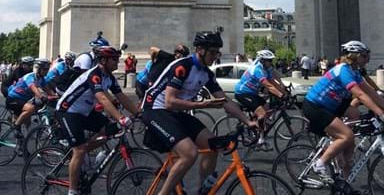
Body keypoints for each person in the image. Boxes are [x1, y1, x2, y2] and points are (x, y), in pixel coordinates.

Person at [141, 30, 257, 195]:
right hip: (155, 110)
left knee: (213, 145)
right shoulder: (183, 66)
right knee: (189, 153)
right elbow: (170, 101)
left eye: (218, 52)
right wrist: (203, 105)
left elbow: (225, 100)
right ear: (200, 50)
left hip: (176, 112)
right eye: (212, 52)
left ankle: (202, 190)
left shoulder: (207, 74)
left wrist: (247, 121)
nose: (215, 56)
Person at [302, 41, 384, 186]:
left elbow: (369, 91)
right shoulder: (343, 70)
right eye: (364, 56)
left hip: (332, 103)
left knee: (355, 115)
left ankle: (345, 174)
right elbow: (361, 95)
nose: (367, 59)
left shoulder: (354, 71)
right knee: (347, 136)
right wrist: (381, 114)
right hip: (316, 106)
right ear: (355, 56)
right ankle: (320, 164)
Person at [56, 46, 139, 195]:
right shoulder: (94, 75)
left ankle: (84, 156)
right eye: (114, 59)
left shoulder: (110, 78)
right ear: (103, 60)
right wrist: (121, 118)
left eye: (117, 59)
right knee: (79, 150)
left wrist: (139, 113)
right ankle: (73, 191)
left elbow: (122, 97)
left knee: (110, 129)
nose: (117, 62)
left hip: (85, 112)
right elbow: (102, 97)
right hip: (68, 110)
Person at [234, 50, 288, 148]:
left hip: (252, 93)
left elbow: (273, 83)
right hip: (242, 93)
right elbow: (268, 86)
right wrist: (281, 95)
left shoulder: (266, 69)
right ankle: (260, 139)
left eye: (271, 60)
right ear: (262, 60)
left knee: (266, 106)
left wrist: (285, 92)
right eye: (269, 61)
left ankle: (256, 125)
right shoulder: (257, 69)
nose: (271, 63)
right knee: (262, 113)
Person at [7, 58, 54, 138]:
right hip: (13, 99)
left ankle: (22, 144)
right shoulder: (30, 77)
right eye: (45, 69)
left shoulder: (41, 79)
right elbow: (33, 87)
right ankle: (16, 126)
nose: (47, 71)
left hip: (22, 101)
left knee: (27, 123)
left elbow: (48, 90)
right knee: (31, 108)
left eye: (48, 69)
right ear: (38, 69)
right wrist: (42, 97)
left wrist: (57, 96)